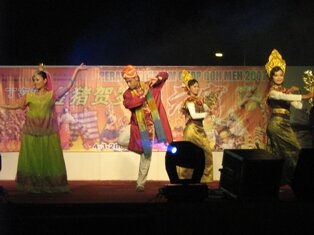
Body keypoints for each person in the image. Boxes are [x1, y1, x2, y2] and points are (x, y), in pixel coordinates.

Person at [0, 63, 87, 193]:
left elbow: (68, 87)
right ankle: (32, 185)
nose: (35, 82)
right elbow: (16, 105)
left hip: (48, 133)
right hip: (31, 133)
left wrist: (77, 71)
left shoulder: (52, 95)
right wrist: (2, 106)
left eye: (37, 79)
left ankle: (50, 185)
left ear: (45, 80)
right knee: (33, 159)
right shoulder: (29, 96)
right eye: (33, 80)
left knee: (49, 160)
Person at [264, 49, 314, 186]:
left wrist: (305, 95)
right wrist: (305, 96)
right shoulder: (273, 91)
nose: (279, 77)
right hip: (277, 124)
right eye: (276, 75)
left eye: (281, 75)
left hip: (285, 124)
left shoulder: (285, 91)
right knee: (296, 150)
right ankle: (296, 181)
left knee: (280, 155)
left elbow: (297, 105)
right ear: (271, 77)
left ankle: (279, 182)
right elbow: (282, 97)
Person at [121, 65, 173, 192]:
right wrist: (142, 96)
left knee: (146, 157)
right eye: (126, 81)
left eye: (129, 80)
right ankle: (143, 149)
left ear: (136, 78)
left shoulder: (150, 86)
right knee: (121, 140)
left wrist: (158, 78)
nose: (128, 83)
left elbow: (165, 74)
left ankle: (140, 183)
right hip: (136, 127)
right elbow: (130, 104)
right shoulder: (127, 93)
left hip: (152, 126)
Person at [178, 70, 214, 183]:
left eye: (198, 86)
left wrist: (209, 109)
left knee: (206, 153)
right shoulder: (189, 100)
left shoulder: (199, 101)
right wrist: (206, 113)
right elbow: (194, 115)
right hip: (192, 130)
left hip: (200, 129)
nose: (197, 88)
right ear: (189, 88)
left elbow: (207, 108)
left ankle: (203, 178)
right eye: (194, 86)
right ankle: (186, 177)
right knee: (190, 154)